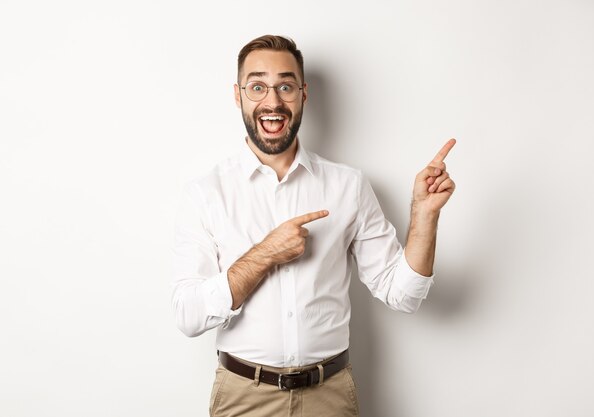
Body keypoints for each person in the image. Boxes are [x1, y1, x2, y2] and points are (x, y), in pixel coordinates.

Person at [171, 34, 456, 417]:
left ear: (303, 94)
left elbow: (401, 295)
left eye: (285, 86)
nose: (272, 102)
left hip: (330, 396)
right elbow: (188, 315)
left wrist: (425, 216)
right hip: (244, 397)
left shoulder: (347, 186)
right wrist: (265, 254)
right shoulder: (206, 193)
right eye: (257, 87)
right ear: (238, 95)